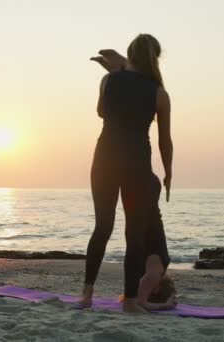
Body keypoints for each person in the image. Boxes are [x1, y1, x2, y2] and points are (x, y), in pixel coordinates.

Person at [79, 34, 174, 313]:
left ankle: (86, 295)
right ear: (155, 58)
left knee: (102, 228)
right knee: (134, 236)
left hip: (105, 162)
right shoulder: (159, 93)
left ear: (129, 55)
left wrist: (118, 73)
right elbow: (164, 140)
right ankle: (131, 302)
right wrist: (168, 174)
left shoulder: (108, 81)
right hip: (138, 168)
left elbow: (101, 112)